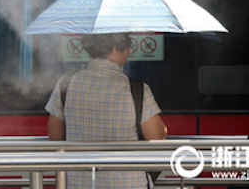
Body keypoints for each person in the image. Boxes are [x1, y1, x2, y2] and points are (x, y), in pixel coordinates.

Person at [45, 33, 167, 189]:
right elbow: (157, 138)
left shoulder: (65, 85)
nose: (128, 54)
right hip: (129, 184)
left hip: (78, 183)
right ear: (115, 48)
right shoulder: (136, 89)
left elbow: (55, 136)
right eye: (127, 48)